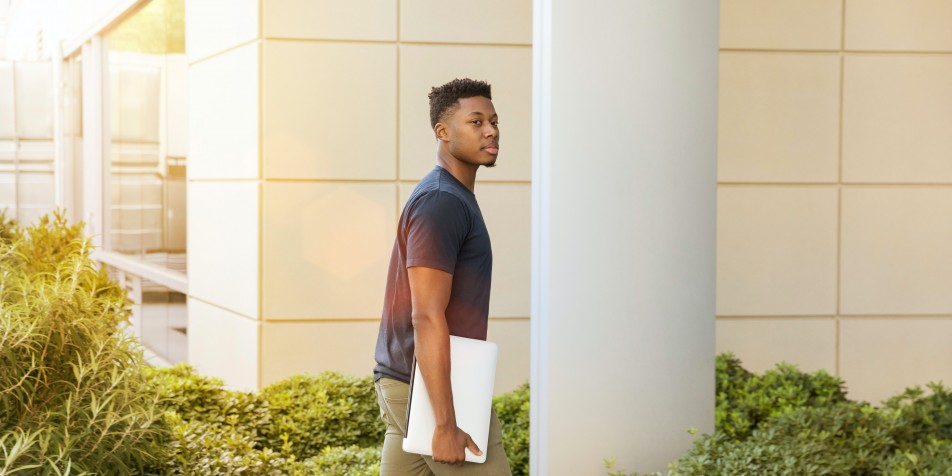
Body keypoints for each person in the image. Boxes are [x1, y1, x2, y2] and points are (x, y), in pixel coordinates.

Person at [372, 78, 512, 475]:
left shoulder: (452, 197)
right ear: (443, 131)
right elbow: (427, 314)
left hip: (412, 381)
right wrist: (445, 423)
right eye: (476, 121)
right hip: (431, 388)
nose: (491, 130)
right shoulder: (442, 201)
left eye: (494, 120)